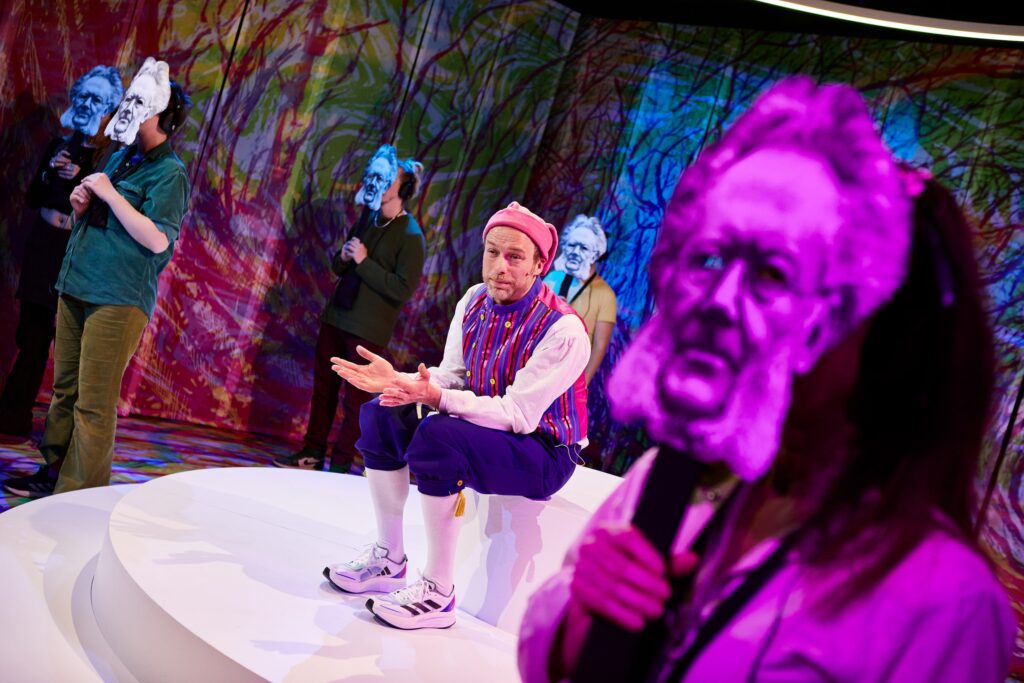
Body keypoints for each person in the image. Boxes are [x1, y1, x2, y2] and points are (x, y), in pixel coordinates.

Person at [517, 77, 1014, 682]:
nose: (721, 305)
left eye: (776, 275)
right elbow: (545, 651)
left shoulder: (944, 602)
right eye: (712, 261)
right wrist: (580, 617)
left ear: (893, 341)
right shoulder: (668, 479)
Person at [323, 201, 590, 629]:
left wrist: (436, 398)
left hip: (544, 449)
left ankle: (438, 590)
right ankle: (389, 558)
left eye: (515, 257)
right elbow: (453, 377)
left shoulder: (563, 329)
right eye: (492, 252)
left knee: (439, 435)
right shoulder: (474, 300)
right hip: (489, 424)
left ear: (539, 265)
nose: (499, 266)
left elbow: (518, 414)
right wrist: (400, 381)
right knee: (381, 413)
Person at [2, 58, 190, 498]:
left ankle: (78, 493)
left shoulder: (170, 172)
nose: (127, 109)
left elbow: (157, 238)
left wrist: (109, 194)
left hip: (117, 298)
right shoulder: (121, 156)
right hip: (78, 284)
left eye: (138, 103)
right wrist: (83, 205)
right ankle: (53, 472)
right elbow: (105, 221)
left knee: (93, 400)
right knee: (64, 390)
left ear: (160, 114)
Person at [274, 146, 427, 472]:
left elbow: (402, 289)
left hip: (366, 331)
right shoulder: (368, 218)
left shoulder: (411, 235)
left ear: (403, 187)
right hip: (337, 317)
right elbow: (339, 267)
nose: (379, 183)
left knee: (355, 401)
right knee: (324, 391)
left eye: (389, 179)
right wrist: (345, 258)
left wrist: (364, 262)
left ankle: (340, 466)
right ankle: (312, 452)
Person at [0, 65, 122, 437]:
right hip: (42, 246)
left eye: (96, 99)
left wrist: (82, 180)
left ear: (110, 109)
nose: (86, 104)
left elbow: (107, 215)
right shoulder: (60, 146)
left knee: (67, 342)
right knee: (31, 335)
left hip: (75, 252)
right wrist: (48, 173)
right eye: (82, 96)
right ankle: (14, 415)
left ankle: (60, 426)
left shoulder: (111, 158)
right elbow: (33, 199)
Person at [543, 215, 617, 385]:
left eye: (583, 248)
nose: (575, 252)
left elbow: (599, 346)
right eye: (572, 245)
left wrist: (583, 384)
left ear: (595, 254)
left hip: (567, 376)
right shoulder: (552, 278)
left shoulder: (606, 295)